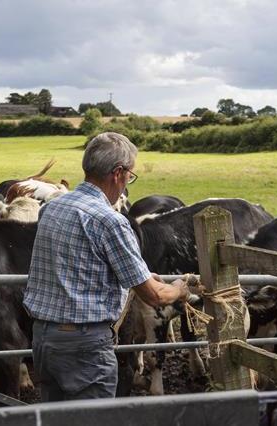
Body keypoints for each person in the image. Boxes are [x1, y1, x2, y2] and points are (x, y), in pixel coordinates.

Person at [24, 131, 192, 402]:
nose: (128, 182)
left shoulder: (52, 208)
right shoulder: (110, 221)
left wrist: (135, 273)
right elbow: (155, 296)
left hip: (45, 338)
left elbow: (76, 261)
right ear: (118, 173)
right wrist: (180, 289)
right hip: (85, 345)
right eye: (130, 175)